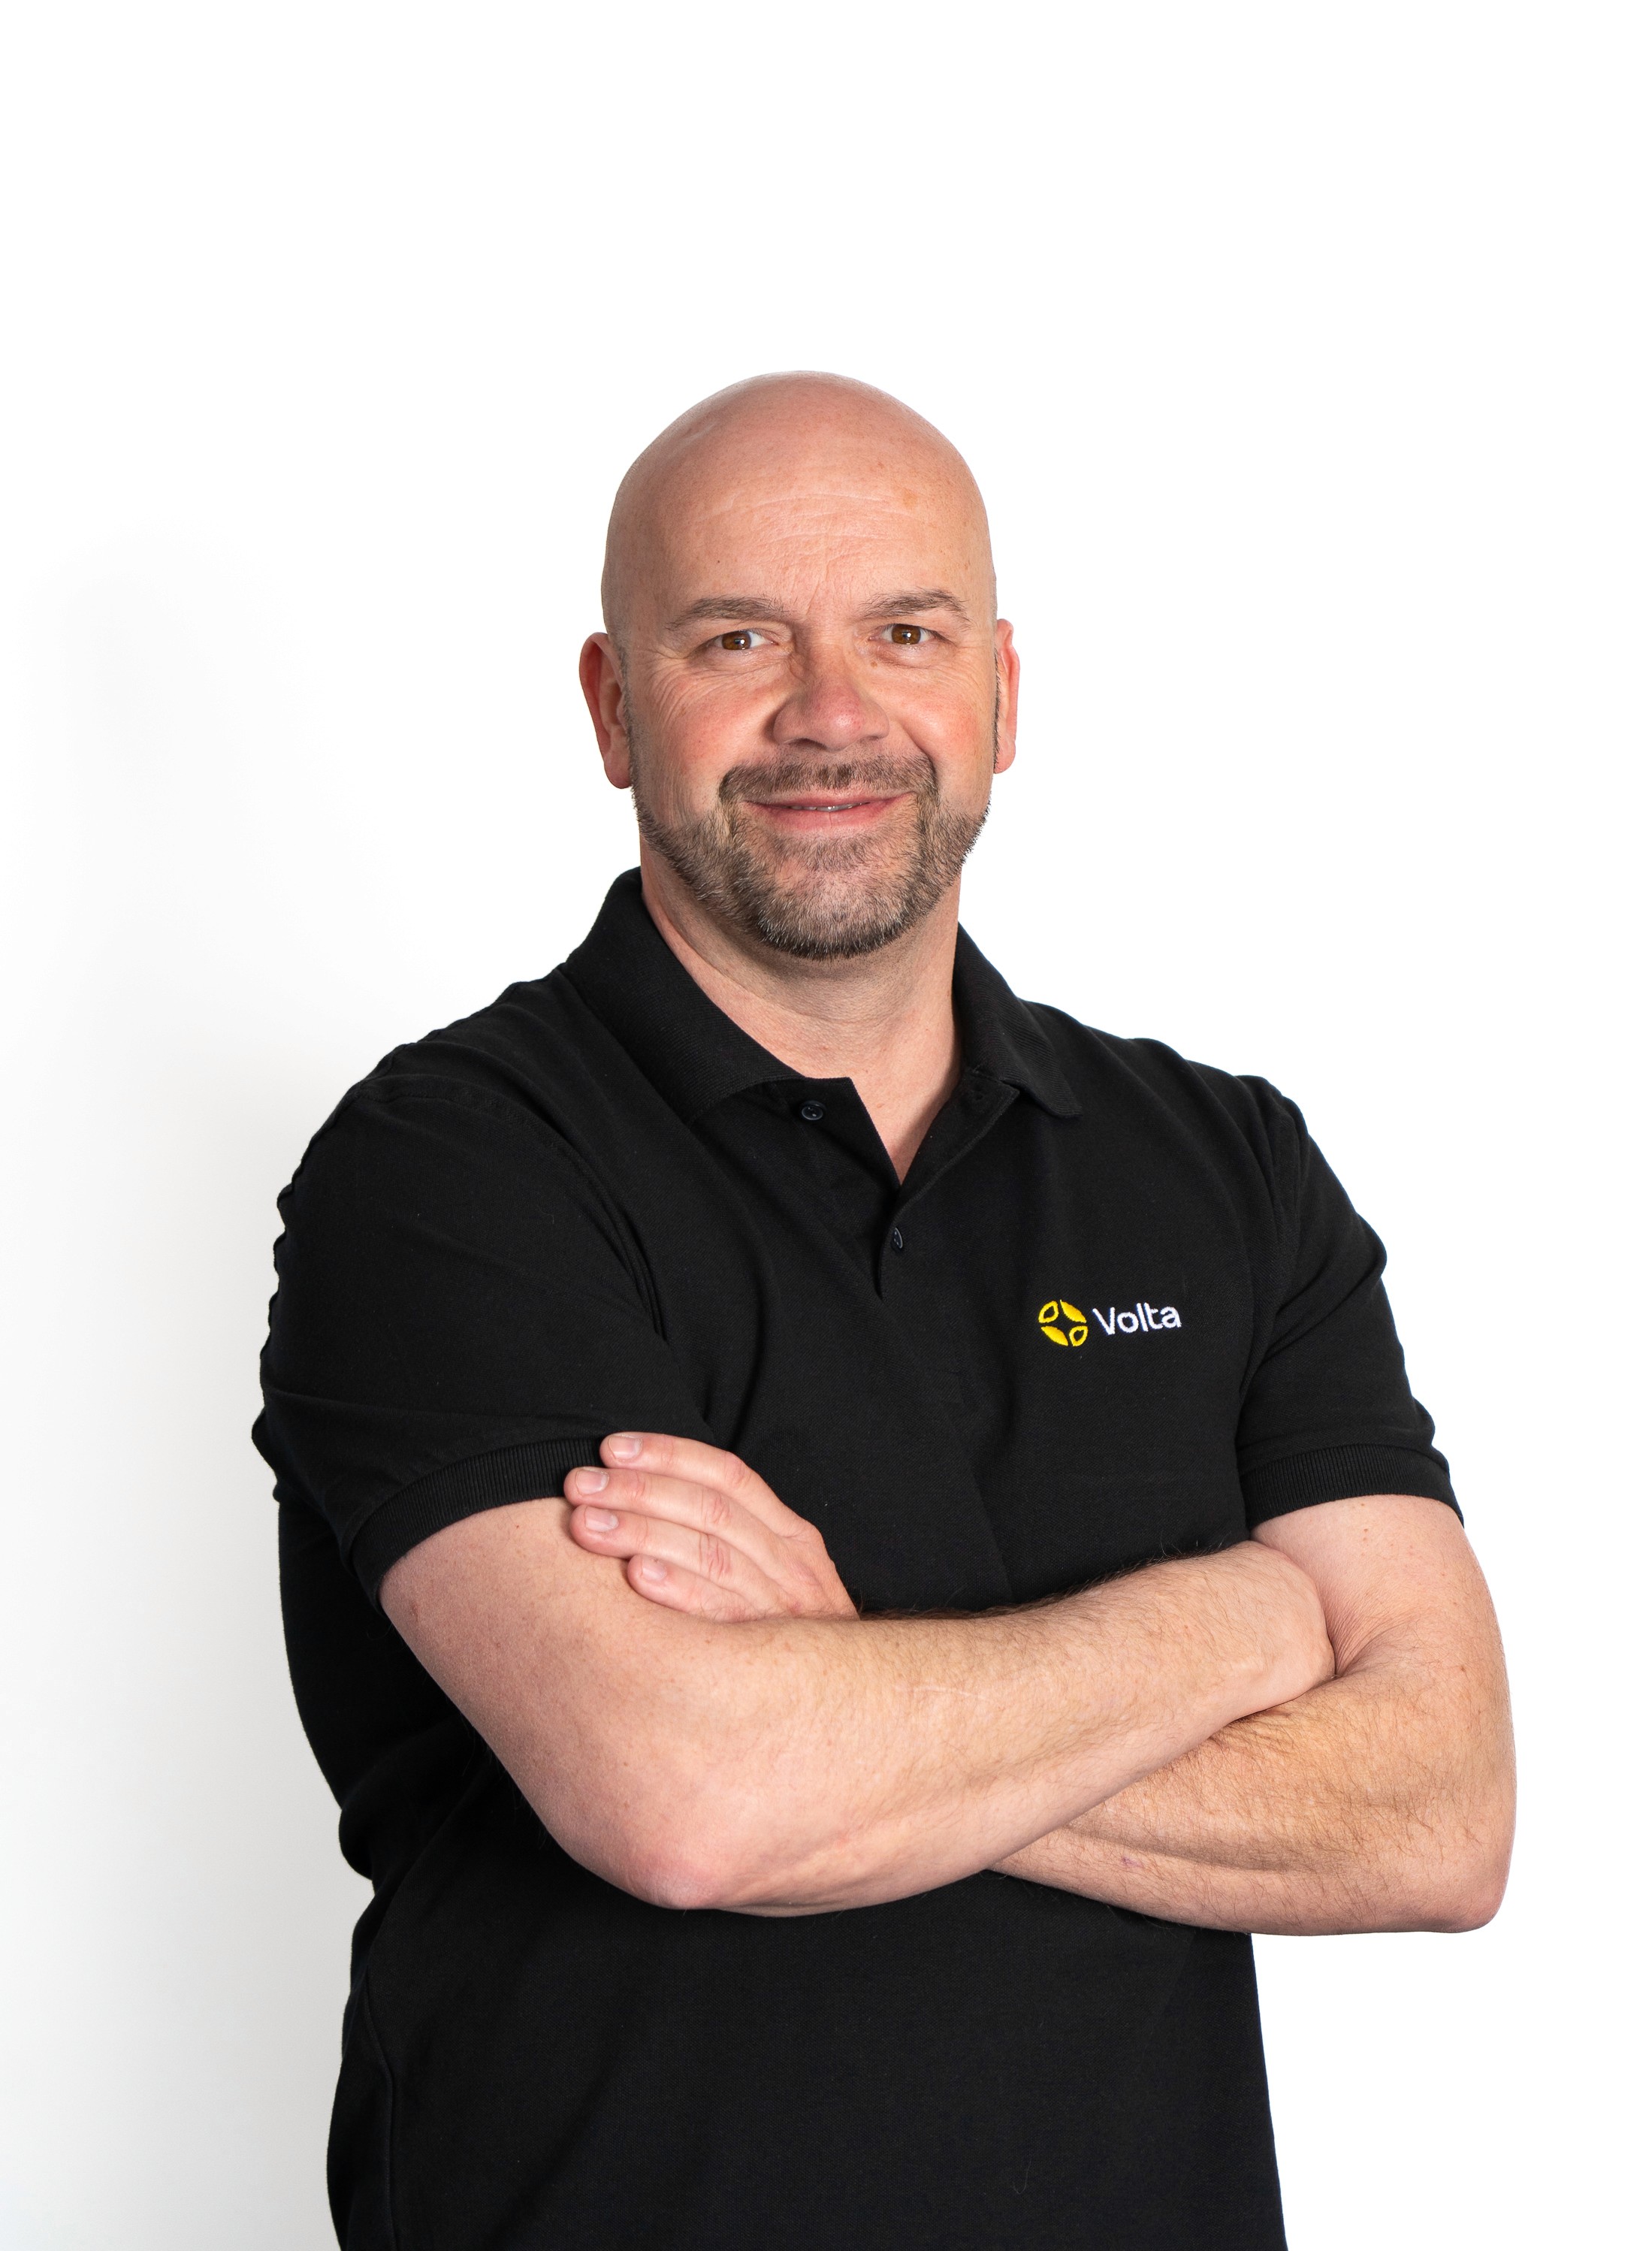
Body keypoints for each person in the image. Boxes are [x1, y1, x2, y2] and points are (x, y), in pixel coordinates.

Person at [256, 373, 1515, 2251]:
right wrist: (1234, 1621)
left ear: (1000, 693)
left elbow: (1439, 1816)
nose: (830, 713)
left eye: (904, 634)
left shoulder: (1221, 1163)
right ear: (611, 708)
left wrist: (840, 1689)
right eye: (736, 638)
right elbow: (690, 1801)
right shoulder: (451, 1171)